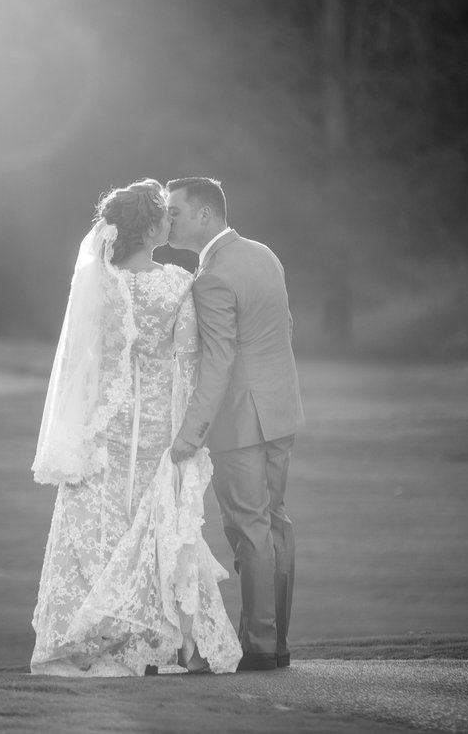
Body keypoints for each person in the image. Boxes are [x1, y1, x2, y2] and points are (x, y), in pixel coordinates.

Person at [30, 178, 242, 677]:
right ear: (147, 227)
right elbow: (188, 361)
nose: (170, 220)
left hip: (103, 426)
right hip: (154, 428)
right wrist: (192, 427)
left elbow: (84, 361)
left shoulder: (98, 281)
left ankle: (86, 641)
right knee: (149, 528)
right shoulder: (176, 282)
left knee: (97, 525)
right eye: (163, 214)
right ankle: (144, 642)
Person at [166, 177, 304, 672]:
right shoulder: (265, 254)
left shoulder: (212, 277)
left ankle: (262, 647)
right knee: (274, 525)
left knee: (250, 531)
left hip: (241, 422)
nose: (169, 220)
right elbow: (283, 328)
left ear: (204, 214)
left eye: (175, 211)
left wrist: (191, 432)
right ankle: (275, 642)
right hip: (280, 409)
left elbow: (218, 363)